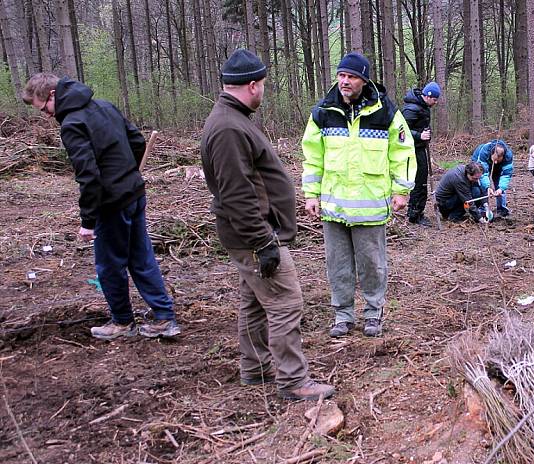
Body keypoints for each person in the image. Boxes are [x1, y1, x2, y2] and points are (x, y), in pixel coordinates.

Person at [200, 49, 334, 401]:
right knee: (286, 302)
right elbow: (236, 193)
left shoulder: (234, 119)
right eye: (264, 85)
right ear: (253, 85)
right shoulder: (229, 127)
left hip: (251, 235)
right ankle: (293, 382)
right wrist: (264, 243)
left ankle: (255, 368)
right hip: (254, 237)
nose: (264, 91)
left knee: (256, 303)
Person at [22, 73, 180, 341]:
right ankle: (165, 318)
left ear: (52, 95)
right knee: (141, 259)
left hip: (112, 205)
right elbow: (137, 141)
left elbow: (89, 176)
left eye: (44, 109)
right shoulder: (104, 106)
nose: (47, 116)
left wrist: (88, 222)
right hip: (134, 194)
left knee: (109, 266)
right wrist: (128, 173)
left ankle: (121, 323)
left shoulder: (72, 123)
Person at [301, 52, 416, 338]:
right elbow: (312, 158)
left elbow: (402, 152)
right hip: (333, 207)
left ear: (363, 80)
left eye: (351, 76)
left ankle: (373, 314)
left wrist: (402, 190)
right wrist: (311, 195)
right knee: (337, 266)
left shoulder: (386, 112)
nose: (344, 81)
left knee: (372, 266)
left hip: (370, 208)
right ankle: (343, 316)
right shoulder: (323, 112)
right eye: (341, 75)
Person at [402, 81, 441, 226]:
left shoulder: (423, 107)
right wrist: (419, 136)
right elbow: (401, 130)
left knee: (422, 180)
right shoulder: (411, 109)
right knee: (419, 181)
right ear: (428, 96)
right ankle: (414, 214)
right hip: (412, 150)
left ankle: (418, 212)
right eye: (435, 99)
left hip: (420, 148)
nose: (436, 102)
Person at [471, 139, 514, 218]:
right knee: (481, 185)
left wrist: (501, 188)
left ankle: (501, 209)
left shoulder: (508, 156)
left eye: (498, 160)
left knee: (499, 185)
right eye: (495, 159)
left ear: (503, 156)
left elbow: (506, 174)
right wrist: (488, 187)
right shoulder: (484, 152)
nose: (496, 162)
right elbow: (483, 173)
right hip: (479, 162)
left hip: (499, 168)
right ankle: (483, 207)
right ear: (491, 153)